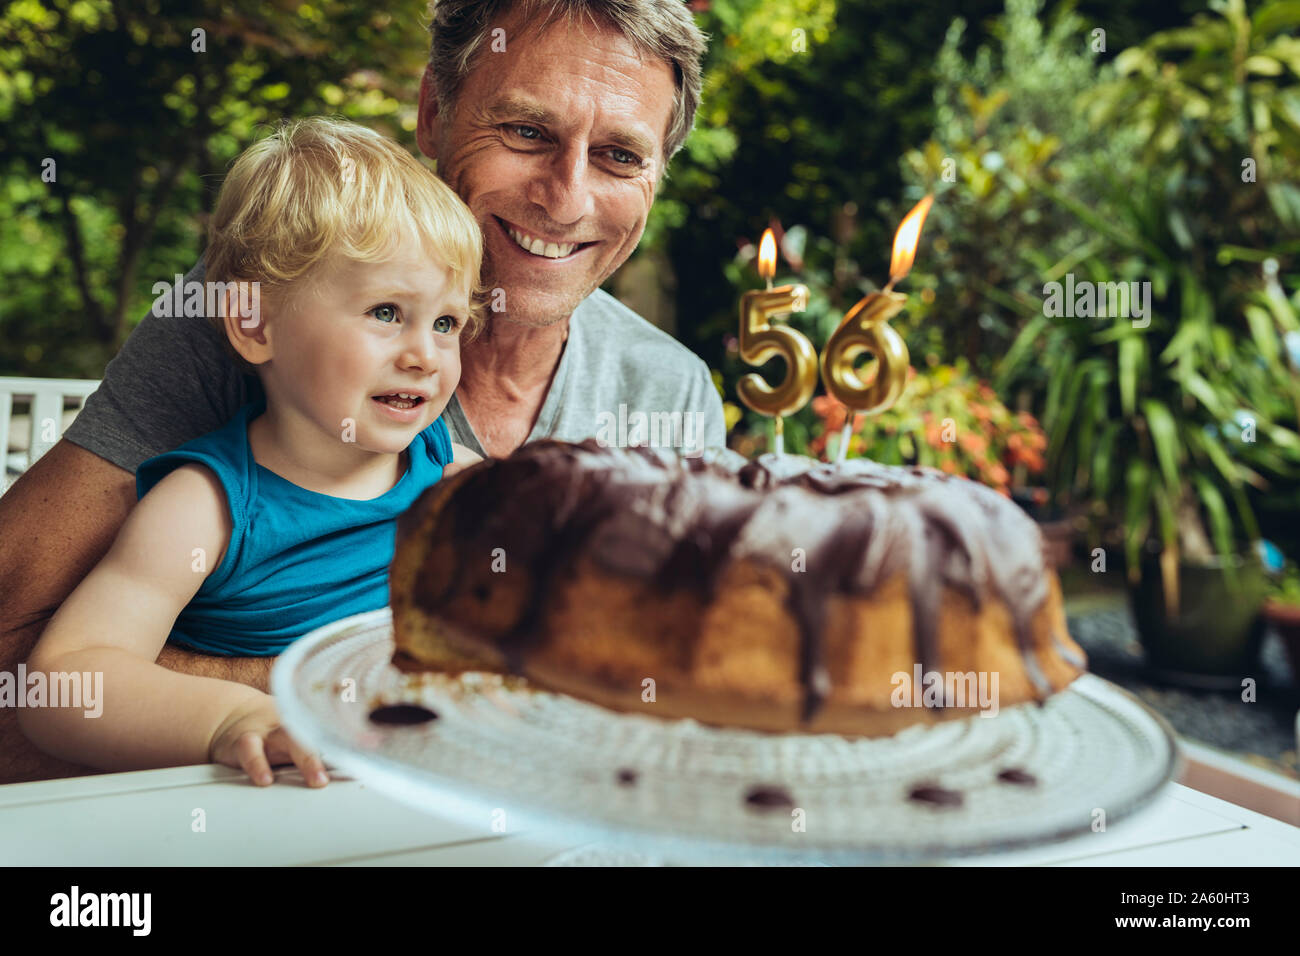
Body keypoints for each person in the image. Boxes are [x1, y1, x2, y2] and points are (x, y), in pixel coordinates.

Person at [0, 0, 721, 782]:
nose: (568, 197)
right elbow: (27, 660)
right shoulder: (266, 302)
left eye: (620, 155)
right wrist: (308, 702)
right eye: (526, 132)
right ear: (434, 113)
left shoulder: (666, 392)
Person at [17, 117, 486, 787]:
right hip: (264, 809)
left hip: (419, 799)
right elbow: (65, 681)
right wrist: (232, 719)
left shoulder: (452, 479)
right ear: (255, 323)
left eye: (446, 323)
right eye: (387, 312)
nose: (424, 355)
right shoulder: (208, 507)